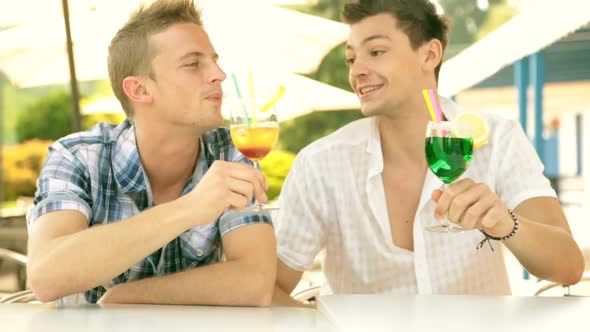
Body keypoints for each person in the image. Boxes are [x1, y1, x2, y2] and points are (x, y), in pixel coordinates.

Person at [273, 0, 583, 304]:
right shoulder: (321, 163)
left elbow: (567, 268)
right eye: (352, 59)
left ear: (429, 54)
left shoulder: (499, 140)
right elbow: (268, 289)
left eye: (376, 52)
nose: (358, 71)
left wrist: (506, 223)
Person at [26, 0, 276, 306]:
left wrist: (125, 296)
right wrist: (189, 209)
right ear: (140, 90)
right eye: (193, 63)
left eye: (214, 60)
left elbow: (255, 283)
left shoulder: (231, 152)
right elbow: (45, 276)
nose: (219, 74)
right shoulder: (77, 156)